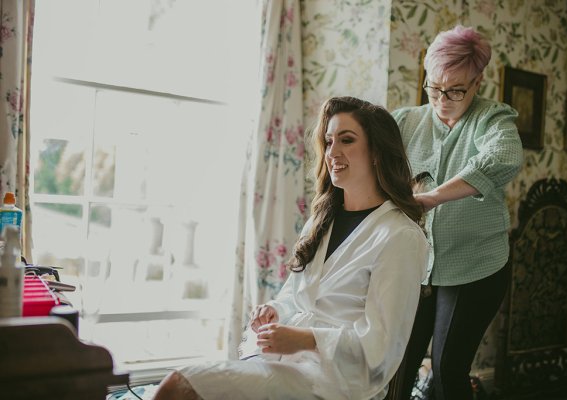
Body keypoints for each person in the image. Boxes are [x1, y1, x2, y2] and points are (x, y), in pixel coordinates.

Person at [152, 96, 430, 400]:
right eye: (329, 141)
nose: (332, 152)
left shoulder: (399, 236)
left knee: (178, 387)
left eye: (347, 140)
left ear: (377, 151)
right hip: (286, 365)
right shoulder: (321, 221)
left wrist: (306, 340)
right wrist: (275, 310)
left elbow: (382, 345)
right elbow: (296, 296)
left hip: (334, 383)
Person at [391, 25, 524, 400]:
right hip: (416, 267)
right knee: (397, 364)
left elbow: (503, 158)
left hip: (475, 266)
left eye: (455, 90)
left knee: (448, 368)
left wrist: (433, 197)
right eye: (433, 87)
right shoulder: (404, 122)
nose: (441, 99)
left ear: (478, 82)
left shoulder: (493, 120)